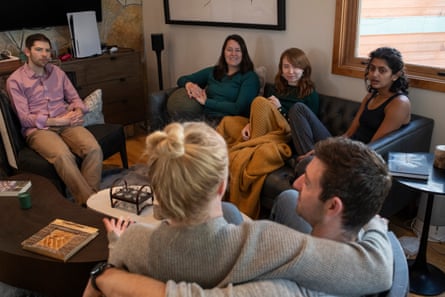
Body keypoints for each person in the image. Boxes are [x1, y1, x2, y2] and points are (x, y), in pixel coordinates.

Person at [83, 123, 392, 297]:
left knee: (230, 213)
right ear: (221, 185)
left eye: (307, 182)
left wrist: (114, 250)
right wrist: (378, 225)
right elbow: (377, 270)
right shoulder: (268, 243)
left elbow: (108, 275)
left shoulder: (134, 243)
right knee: (231, 213)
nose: (297, 183)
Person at [216, 47, 319, 218]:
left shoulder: (310, 94)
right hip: (268, 128)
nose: (291, 71)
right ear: (281, 68)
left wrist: (280, 109)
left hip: (286, 133)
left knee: (259, 101)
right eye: (286, 67)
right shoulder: (276, 87)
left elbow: (304, 128)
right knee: (229, 122)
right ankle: (253, 138)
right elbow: (263, 114)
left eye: (296, 67)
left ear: (304, 69)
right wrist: (251, 124)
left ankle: (250, 146)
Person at [6, 33, 102, 205]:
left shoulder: (57, 72)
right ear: (27, 51)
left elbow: (75, 99)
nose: (44, 54)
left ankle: (90, 199)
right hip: (39, 130)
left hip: (67, 122)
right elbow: (24, 118)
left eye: (48, 51)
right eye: (39, 50)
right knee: (62, 155)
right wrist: (57, 122)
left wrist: (79, 110)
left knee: (93, 148)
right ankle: (90, 203)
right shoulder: (15, 81)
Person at [289, 47, 411, 163]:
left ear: (395, 75)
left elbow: (373, 148)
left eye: (382, 70)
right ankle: (308, 160)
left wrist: (326, 153)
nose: (374, 74)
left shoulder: (399, 103)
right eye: (372, 68)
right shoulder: (370, 96)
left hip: (359, 158)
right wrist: (322, 149)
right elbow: (348, 134)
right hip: (347, 146)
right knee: (298, 108)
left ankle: (308, 163)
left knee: (307, 164)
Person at [168, 34, 260, 123]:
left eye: (238, 50)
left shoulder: (250, 77)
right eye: (229, 50)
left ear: (243, 53)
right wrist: (190, 85)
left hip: (230, 122)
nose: (233, 54)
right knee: (177, 128)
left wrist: (207, 102)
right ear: (223, 52)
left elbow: (238, 109)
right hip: (205, 118)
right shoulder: (213, 71)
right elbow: (181, 79)